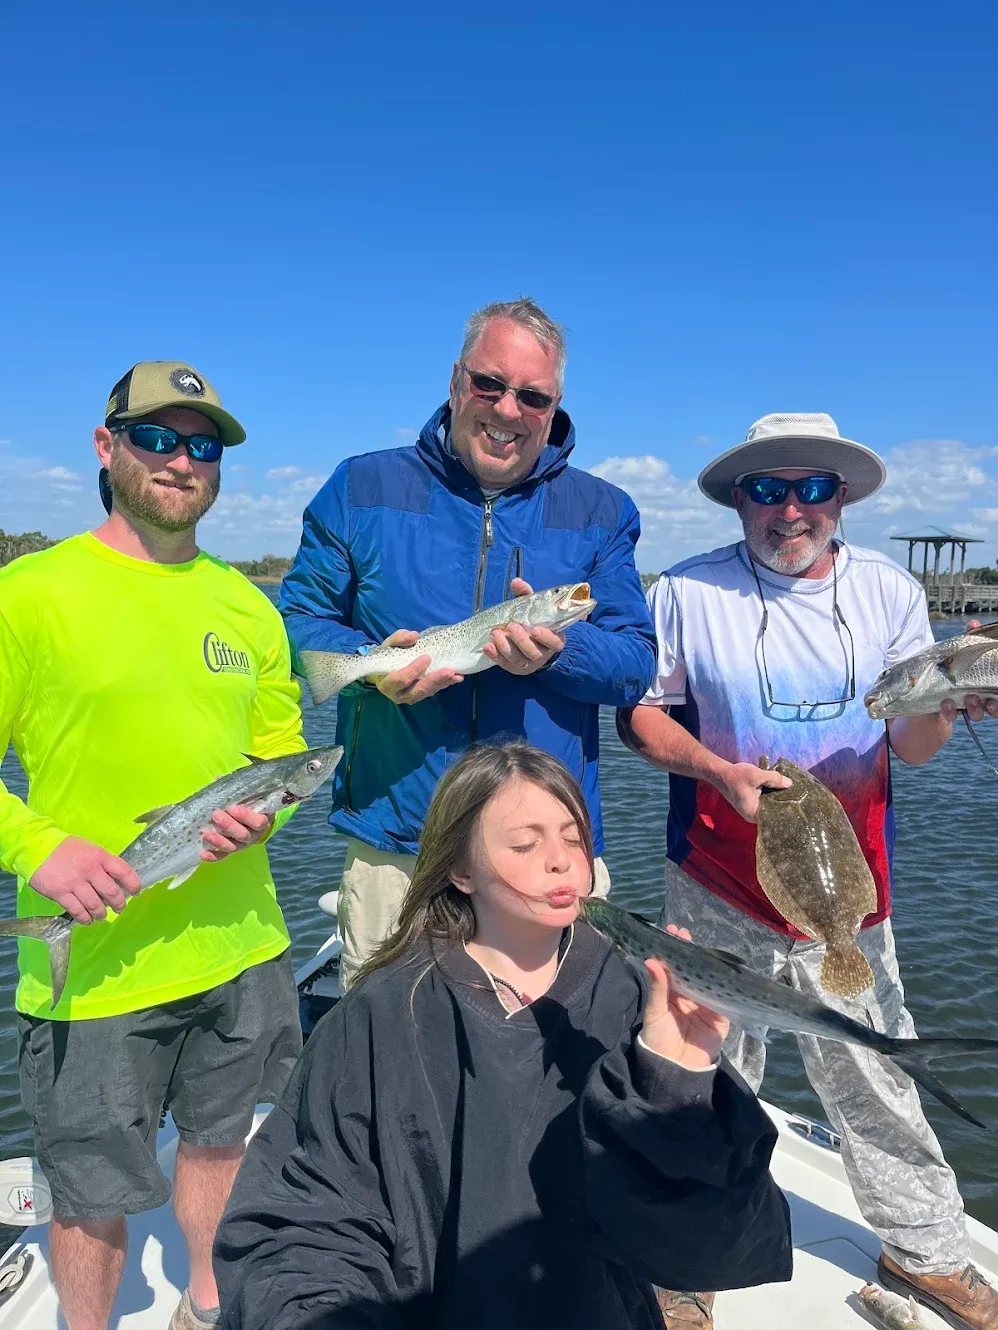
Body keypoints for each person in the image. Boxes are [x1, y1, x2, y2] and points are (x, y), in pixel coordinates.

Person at [618, 412, 998, 1330]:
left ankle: (924, 1251)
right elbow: (641, 716)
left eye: (813, 488)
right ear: (738, 499)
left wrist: (951, 703)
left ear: (843, 497)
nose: (791, 508)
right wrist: (717, 770)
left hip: (852, 896)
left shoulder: (890, 592)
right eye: (768, 488)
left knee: (878, 1073)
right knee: (704, 1071)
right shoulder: (688, 590)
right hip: (716, 881)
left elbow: (912, 745)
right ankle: (687, 1264)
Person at [213, 741, 792, 1328]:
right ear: (460, 870)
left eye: (574, 838)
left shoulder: (638, 1001)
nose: (561, 861)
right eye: (525, 844)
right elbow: (304, 1224)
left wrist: (677, 1082)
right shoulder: (384, 1011)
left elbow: (713, 1253)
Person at [0, 362, 307, 1330]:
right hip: (94, 962)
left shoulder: (249, 605)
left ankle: (207, 1304)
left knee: (221, 1140)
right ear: (108, 446)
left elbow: (280, 758)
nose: (181, 461)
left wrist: (267, 817)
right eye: (157, 438)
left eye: (202, 445)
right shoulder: (29, 594)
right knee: (89, 1189)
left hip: (241, 947)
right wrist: (37, 848)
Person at [279, 297, 657, 987]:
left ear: (555, 406)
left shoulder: (604, 511)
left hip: (547, 848)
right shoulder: (360, 486)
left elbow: (635, 663)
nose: (509, 410)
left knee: (556, 1039)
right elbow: (300, 617)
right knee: (387, 1039)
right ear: (457, 382)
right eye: (490, 384)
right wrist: (373, 672)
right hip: (399, 843)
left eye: (533, 396)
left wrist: (561, 653)